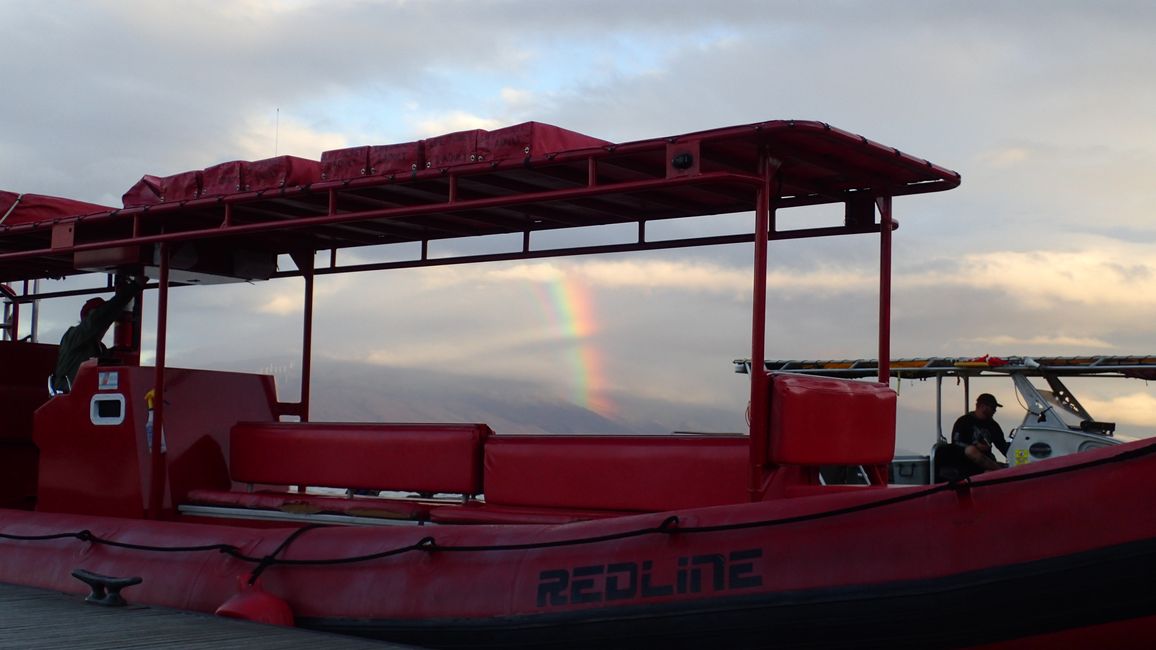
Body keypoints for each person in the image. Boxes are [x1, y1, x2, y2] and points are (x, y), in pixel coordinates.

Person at [52, 275, 144, 393]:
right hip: (68, 400)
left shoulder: (100, 349)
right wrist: (135, 287)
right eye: (100, 313)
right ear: (89, 317)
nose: (106, 321)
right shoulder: (73, 336)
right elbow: (101, 318)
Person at [950, 393, 1009, 476]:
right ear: (983, 407)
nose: (995, 411)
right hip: (966, 462)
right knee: (971, 450)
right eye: (993, 408)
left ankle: (1001, 471)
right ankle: (1001, 472)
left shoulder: (993, 425)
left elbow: (1002, 445)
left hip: (988, 460)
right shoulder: (963, 422)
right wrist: (976, 446)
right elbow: (956, 442)